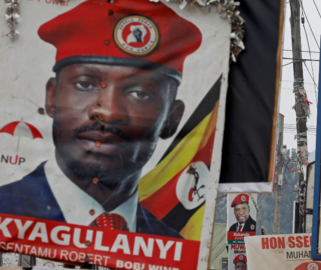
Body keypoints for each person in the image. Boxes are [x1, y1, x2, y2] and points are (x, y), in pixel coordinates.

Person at [0, 0, 202, 237]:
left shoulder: (176, 252)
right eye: (85, 84)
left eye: (139, 93)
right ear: (52, 98)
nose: (107, 111)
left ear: (172, 119)